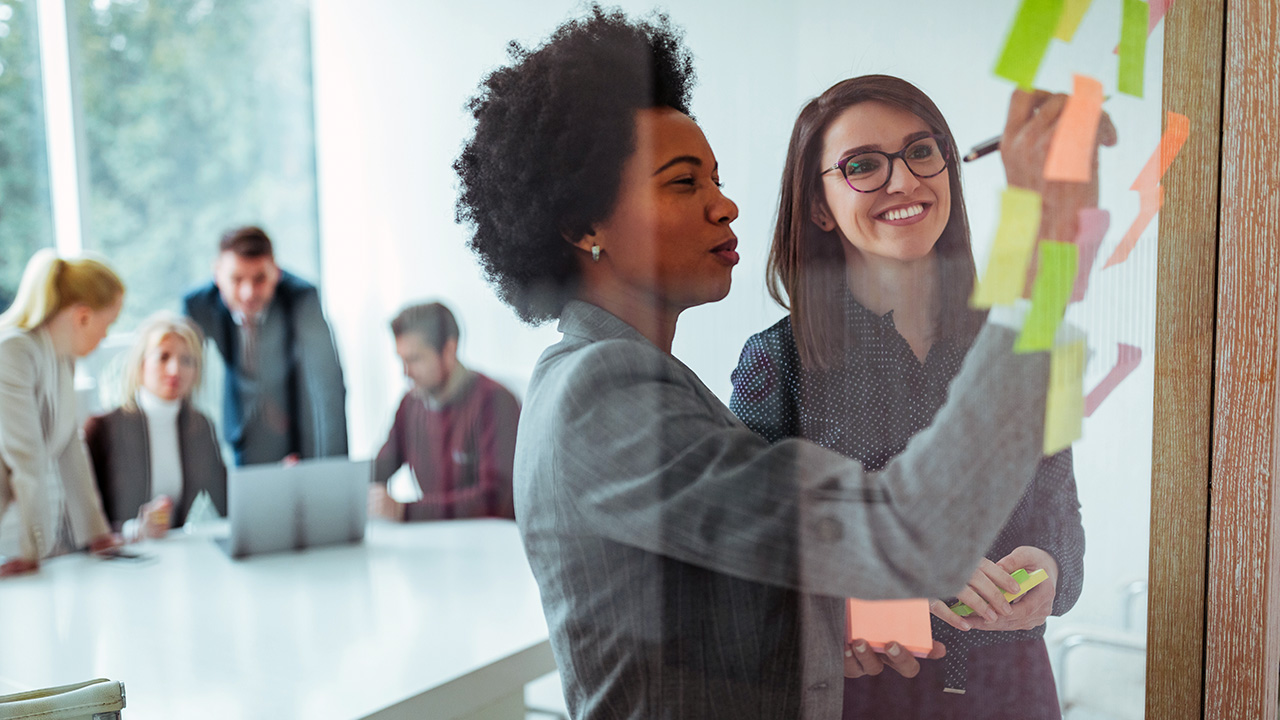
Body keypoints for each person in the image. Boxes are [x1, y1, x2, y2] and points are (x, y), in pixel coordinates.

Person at [453, 7, 1103, 719]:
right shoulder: (609, 392)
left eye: (922, 153)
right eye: (682, 183)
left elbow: (773, 588)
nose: (727, 205)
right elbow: (899, 536)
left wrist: (1038, 572)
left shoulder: (644, 385)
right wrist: (1038, 266)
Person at [730, 75, 1093, 718]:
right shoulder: (776, 360)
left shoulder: (1015, 338)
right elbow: (752, 567)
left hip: (1011, 691)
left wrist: (1051, 571)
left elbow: (1058, 512)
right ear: (818, 206)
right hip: (868, 697)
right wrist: (877, 602)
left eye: (921, 152)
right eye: (863, 166)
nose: (902, 181)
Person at [0, 250, 123, 576]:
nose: (106, 336)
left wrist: (97, 534)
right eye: (107, 325)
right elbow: (28, 458)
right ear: (83, 317)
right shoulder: (11, 350)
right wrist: (35, 551)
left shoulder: (60, 354)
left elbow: (70, 444)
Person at [183, 225, 348, 465]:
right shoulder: (197, 304)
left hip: (298, 424)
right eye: (236, 279)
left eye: (260, 278)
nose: (248, 293)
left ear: (276, 272)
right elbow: (180, 372)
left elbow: (328, 386)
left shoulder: (302, 298)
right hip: (242, 426)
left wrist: (334, 469)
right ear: (217, 274)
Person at [369, 301, 520, 521]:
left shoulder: (495, 402)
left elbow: (495, 499)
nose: (405, 372)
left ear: (449, 350)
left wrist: (405, 511)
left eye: (414, 359)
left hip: (490, 546)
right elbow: (381, 467)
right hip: (440, 541)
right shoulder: (410, 404)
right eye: (401, 360)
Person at [84, 311, 227, 540]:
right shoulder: (101, 429)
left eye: (187, 360)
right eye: (163, 357)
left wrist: (278, 486)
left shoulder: (200, 426)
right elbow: (79, 523)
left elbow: (228, 501)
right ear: (141, 365)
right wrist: (134, 531)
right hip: (116, 561)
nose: (175, 370)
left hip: (174, 559)